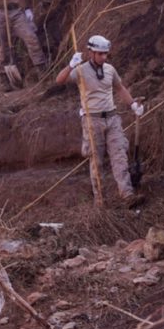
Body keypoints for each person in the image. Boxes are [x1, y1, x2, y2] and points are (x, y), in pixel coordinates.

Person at [55, 35, 145, 208]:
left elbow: (120, 88)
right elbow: (59, 80)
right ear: (91, 53)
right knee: (96, 161)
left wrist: (133, 104)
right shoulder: (80, 71)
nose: (104, 57)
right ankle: (101, 202)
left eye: (106, 54)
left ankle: (127, 195)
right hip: (92, 121)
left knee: (119, 155)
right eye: (100, 54)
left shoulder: (110, 69)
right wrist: (70, 65)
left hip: (112, 118)